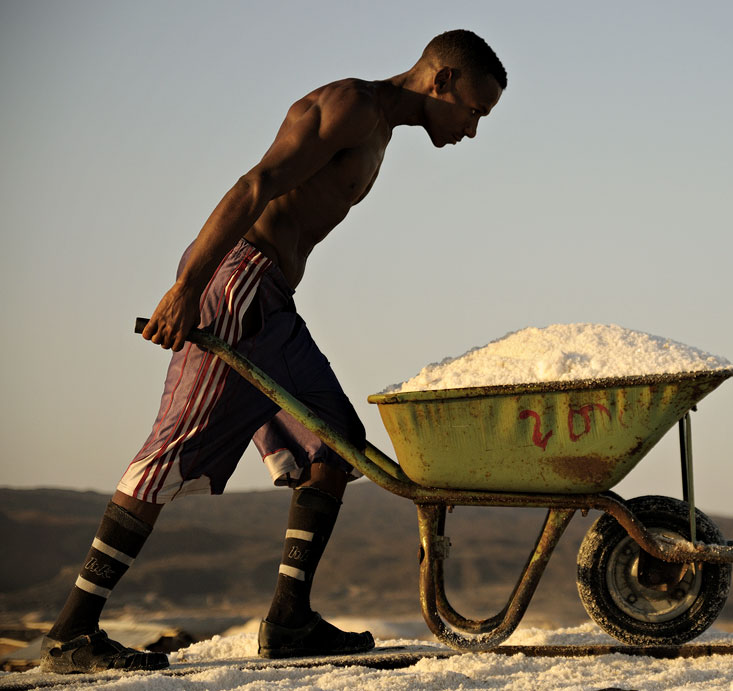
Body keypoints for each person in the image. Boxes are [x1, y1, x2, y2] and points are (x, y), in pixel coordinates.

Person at [39, 29, 506, 674]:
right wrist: (188, 286)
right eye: (475, 112)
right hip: (240, 287)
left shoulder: (381, 127)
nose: (473, 130)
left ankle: (289, 621)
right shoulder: (352, 106)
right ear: (443, 82)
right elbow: (255, 184)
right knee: (171, 450)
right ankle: (71, 633)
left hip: (270, 299)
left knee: (335, 444)